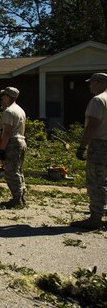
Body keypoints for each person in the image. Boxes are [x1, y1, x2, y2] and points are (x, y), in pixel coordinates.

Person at [71, 72, 107, 230]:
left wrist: (82, 146)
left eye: (92, 82)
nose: (90, 85)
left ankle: (96, 218)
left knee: (96, 182)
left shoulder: (98, 100)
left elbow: (93, 124)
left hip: (99, 145)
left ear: (100, 82)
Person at [0, 86, 27, 208]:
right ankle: (21, 196)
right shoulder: (20, 110)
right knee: (18, 170)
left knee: (11, 172)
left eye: (4, 96)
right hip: (21, 141)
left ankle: (17, 200)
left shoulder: (9, 111)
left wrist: (2, 149)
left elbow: (7, 132)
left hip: (13, 142)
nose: (2, 98)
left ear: (9, 97)